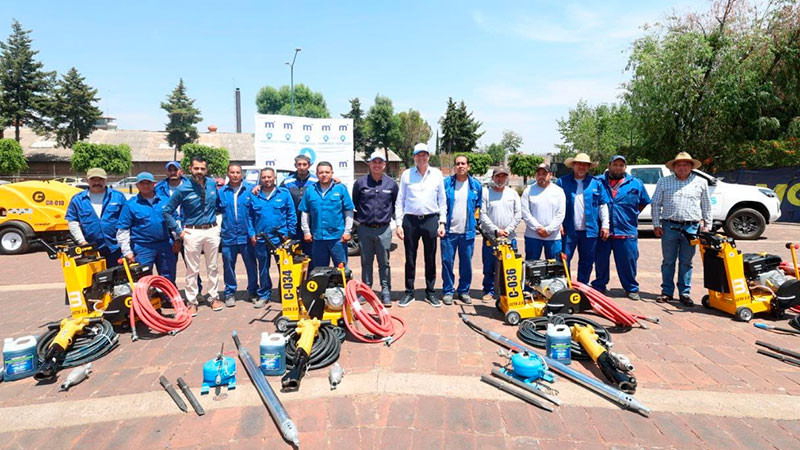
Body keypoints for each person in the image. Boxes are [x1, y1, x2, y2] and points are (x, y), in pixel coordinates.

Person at [163, 156, 222, 316]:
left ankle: (214, 296)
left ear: (206, 169)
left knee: (213, 267)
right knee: (192, 269)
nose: (199, 172)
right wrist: (179, 230)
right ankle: (192, 301)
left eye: (202, 169)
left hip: (211, 230)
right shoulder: (183, 188)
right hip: (192, 232)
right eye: (196, 168)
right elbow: (167, 211)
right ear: (190, 169)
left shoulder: (211, 183)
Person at [651, 152, 712, 306]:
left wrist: (707, 226)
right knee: (668, 261)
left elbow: (706, 205)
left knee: (686, 262)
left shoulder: (700, 182)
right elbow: (656, 203)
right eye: (679, 164)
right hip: (669, 226)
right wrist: (656, 224)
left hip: (691, 228)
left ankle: (684, 293)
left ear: (691, 166)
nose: (682, 167)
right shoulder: (664, 182)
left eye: (686, 164)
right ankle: (667, 292)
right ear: (674, 167)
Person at [591, 155, 651, 300]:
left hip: (626, 230)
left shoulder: (636, 183)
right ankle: (599, 286)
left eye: (621, 165)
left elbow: (643, 202)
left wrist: (630, 215)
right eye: (615, 164)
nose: (618, 167)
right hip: (602, 231)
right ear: (609, 165)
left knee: (628, 262)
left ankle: (631, 288)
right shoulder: (597, 182)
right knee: (601, 261)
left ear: (625, 167)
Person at [395, 143, 447, 308]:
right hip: (410, 221)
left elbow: (442, 200)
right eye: (418, 155)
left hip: (431, 220)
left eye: (424, 154)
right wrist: (398, 223)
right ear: (414, 157)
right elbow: (400, 200)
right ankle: (409, 292)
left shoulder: (437, 174)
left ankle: (430, 292)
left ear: (428, 156)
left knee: (430, 258)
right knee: (410, 258)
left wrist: (442, 222)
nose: (422, 157)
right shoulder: (406, 175)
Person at [352, 151, 398, 307]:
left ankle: (385, 292)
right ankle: (366, 291)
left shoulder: (391, 184)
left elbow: (395, 205)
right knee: (366, 262)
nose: (377, 165)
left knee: (384, 263)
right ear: (369, 164)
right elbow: (356, 203)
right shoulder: (360, 183)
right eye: (374, 162)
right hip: (364, 229)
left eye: (380, 162)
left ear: (384, 165)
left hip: (384, 229)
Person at [556, 153, 609, 284]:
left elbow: (603, 205)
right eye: (579, 164)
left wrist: (605, 225)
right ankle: (565, 286)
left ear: (589, 167)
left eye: (585, 165)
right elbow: (555, 204)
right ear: (573, 165)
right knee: (563, 259)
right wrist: (558, 224)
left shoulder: (596, 183)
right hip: (568, 230)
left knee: (587, 260)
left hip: (590, 230)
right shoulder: (562, 182)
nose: (582, 167)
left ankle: (582, 286)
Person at [247, 167, 297, 308]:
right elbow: (249, 217)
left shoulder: (284, 194)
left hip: (280, 239)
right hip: (261, 238)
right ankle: (264, 295)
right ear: (260, 179)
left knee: (285, 268)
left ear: (274, 178)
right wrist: (251, 234)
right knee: (263, 268)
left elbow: (291, 214)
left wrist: (289, 234)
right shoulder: (254, 195)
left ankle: (285, 293)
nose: (267, 179)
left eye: (269, 177)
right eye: (264, 177)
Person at [116, 172, 177, 283]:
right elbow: (123, 230)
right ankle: (145, 300)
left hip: (165, 245)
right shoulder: (130, 205)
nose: (145, 186)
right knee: (143, 280)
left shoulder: (165, 201)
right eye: (142, 183)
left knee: (168, 277)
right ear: (137, 185)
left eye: (148, 183)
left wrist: (177, 240)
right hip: (143, 247)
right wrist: (127, 252)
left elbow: (175, 222)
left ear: (154, 184)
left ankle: (168, 299)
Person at [441, 155, 482, 305]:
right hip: (448, 231)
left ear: (468, 166)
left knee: (466, 263)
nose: (460, 166)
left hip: (467, 232)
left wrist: (474, 223)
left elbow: (478, 207)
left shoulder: (476, 186)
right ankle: (448, 291)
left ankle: (464, 290)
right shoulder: (446, 184)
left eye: (463, 163)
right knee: (447, 262)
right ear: (454, 167)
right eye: (458, 164)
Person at [66, 167, 127, 267]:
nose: (97, 182)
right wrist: (82, 242)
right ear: (87, 180)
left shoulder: (118, 197)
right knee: (95, 281)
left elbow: (126, 221)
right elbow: (73, 222)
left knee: (119, 279)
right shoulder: (77, 200)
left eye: (100, 179)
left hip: (116, 248)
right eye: (93, 179)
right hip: (91, 251)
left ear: (106, 180)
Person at [299, 162, 354, 269]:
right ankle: (324, 287)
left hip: (338, 238)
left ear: (332, 173)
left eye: (327, 172)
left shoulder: (340, 189)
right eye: (321, 172)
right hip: (318, 238)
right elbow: (305, 212)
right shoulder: (310, 190)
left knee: (342, 270)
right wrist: (306, 232)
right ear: (317, 174)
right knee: (320, 271)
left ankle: (342, 286)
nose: (324, 174)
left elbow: (348, 211)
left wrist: (347, 231)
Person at [155, 161, 200, 291]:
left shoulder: (191, 185)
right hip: (168, 233)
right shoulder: (159, 189)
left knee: (193, 266)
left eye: (176, 169)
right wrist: (175, 236)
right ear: (166, 172)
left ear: (182, 171)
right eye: (170, 170)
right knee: (168, 268)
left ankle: (197, 292)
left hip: (189, 230)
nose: (173, 172)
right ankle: (170, 294)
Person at [479, 166, 522, 301]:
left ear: (507, 178)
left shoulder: (513, 194)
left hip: (509, 238)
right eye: (497, 176)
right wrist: (496, 230)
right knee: (489, 266)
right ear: (493, 178)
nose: (500, 179)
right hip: (491, 238)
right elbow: (482, 215)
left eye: (503, 176)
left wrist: (507, 230)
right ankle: (489, 291)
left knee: (510, 266)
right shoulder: (486, 193)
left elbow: (518, 214)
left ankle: (506, 291)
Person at [218, 164, 258, 307]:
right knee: (228, 265)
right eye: (232, 172)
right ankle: (230, 293)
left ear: (242, 174)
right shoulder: (221, 192)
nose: (235, 175)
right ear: (227, 174)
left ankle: (253, 291)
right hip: (228, 235)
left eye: (238, 172)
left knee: (251, 265)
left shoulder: (251, 190)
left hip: (246, 235)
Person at [521, 163, 565, 261]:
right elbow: (525, 212)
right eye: (538, 174)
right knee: (532, 267)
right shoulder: (528, 190)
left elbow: (560, 213)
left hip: (553, 236)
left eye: (544, 174)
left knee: (555, 268)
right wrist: (538, 228)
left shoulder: (559, 191)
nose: (541, 176)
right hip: (533, 235)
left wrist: (549, 230)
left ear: (551, 175)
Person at [281, 154, 318, 256]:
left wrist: (336, 181)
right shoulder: (287, 181)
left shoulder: (316, 181)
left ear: (309, 165)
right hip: (294, 225)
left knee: (311, 255)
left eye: (304, 164)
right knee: (294, 255)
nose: (302, 167)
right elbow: (276, 194)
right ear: (295, 165)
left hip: (311, 224)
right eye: (299, 164)